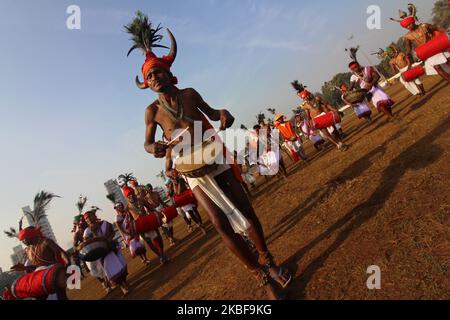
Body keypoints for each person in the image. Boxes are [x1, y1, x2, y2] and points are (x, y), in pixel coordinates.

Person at [127, 12, 291, 299]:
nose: (154, 77)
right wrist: (154, 148)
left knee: (246, 210)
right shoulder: (151, 112)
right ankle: (260, 275)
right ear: (146, 84)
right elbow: (147, 144)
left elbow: (214, 114)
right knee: (219, 222)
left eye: (158, 72)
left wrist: (224, 114)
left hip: (217, 159)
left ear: (170, 73)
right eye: (149, 75)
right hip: (191, 173)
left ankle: (267, 259)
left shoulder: (189, 94)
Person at [9, 224, 70, 300]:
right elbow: (36, 267)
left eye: (24, 239)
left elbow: (61, 253)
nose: (23, 242)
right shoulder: (28, 250)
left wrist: (67, 266)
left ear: (31, 235)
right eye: (22, 240)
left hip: (53, 273)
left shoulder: (45, 242)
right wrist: (24, 268)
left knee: (60, 297)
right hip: (39, 277)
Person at [393, 4, 450, 82]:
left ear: (413, 21)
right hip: (426, 52)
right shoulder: (408, 36)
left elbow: (436, 28)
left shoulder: (424, 26)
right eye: (406, 26)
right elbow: (408, 47)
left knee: (448, 61)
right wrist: (408, 54)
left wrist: (446, 32)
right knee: (437, 68)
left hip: (436, 47)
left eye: (409, 24)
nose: (408, 27)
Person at [82, 209, 130, 297]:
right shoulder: (87, 231)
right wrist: (93, 233)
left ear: (94, 216)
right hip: (102, 255)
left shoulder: (104, 223)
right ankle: (123, 287)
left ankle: (125, 283)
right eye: (87, 219)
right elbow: (87, 244)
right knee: (111, 270)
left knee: (121, 265)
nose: (89, 219)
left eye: (90, 216)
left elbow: (112, 232)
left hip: (112, 248)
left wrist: (107, 240)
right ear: (86, 221)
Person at [292, 81, 348, 150]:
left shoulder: (317, 98)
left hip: (324, 116)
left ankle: (340, 141)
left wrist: (336, 111)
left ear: (308, 94)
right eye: (304, 98)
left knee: (334, 130)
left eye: (306, 97)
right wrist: (309, 123)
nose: (306, 99)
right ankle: (338, 145)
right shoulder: (305, 105)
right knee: (327, 134)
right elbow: (308, 116)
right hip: (317, 121)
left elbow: (327, 105)